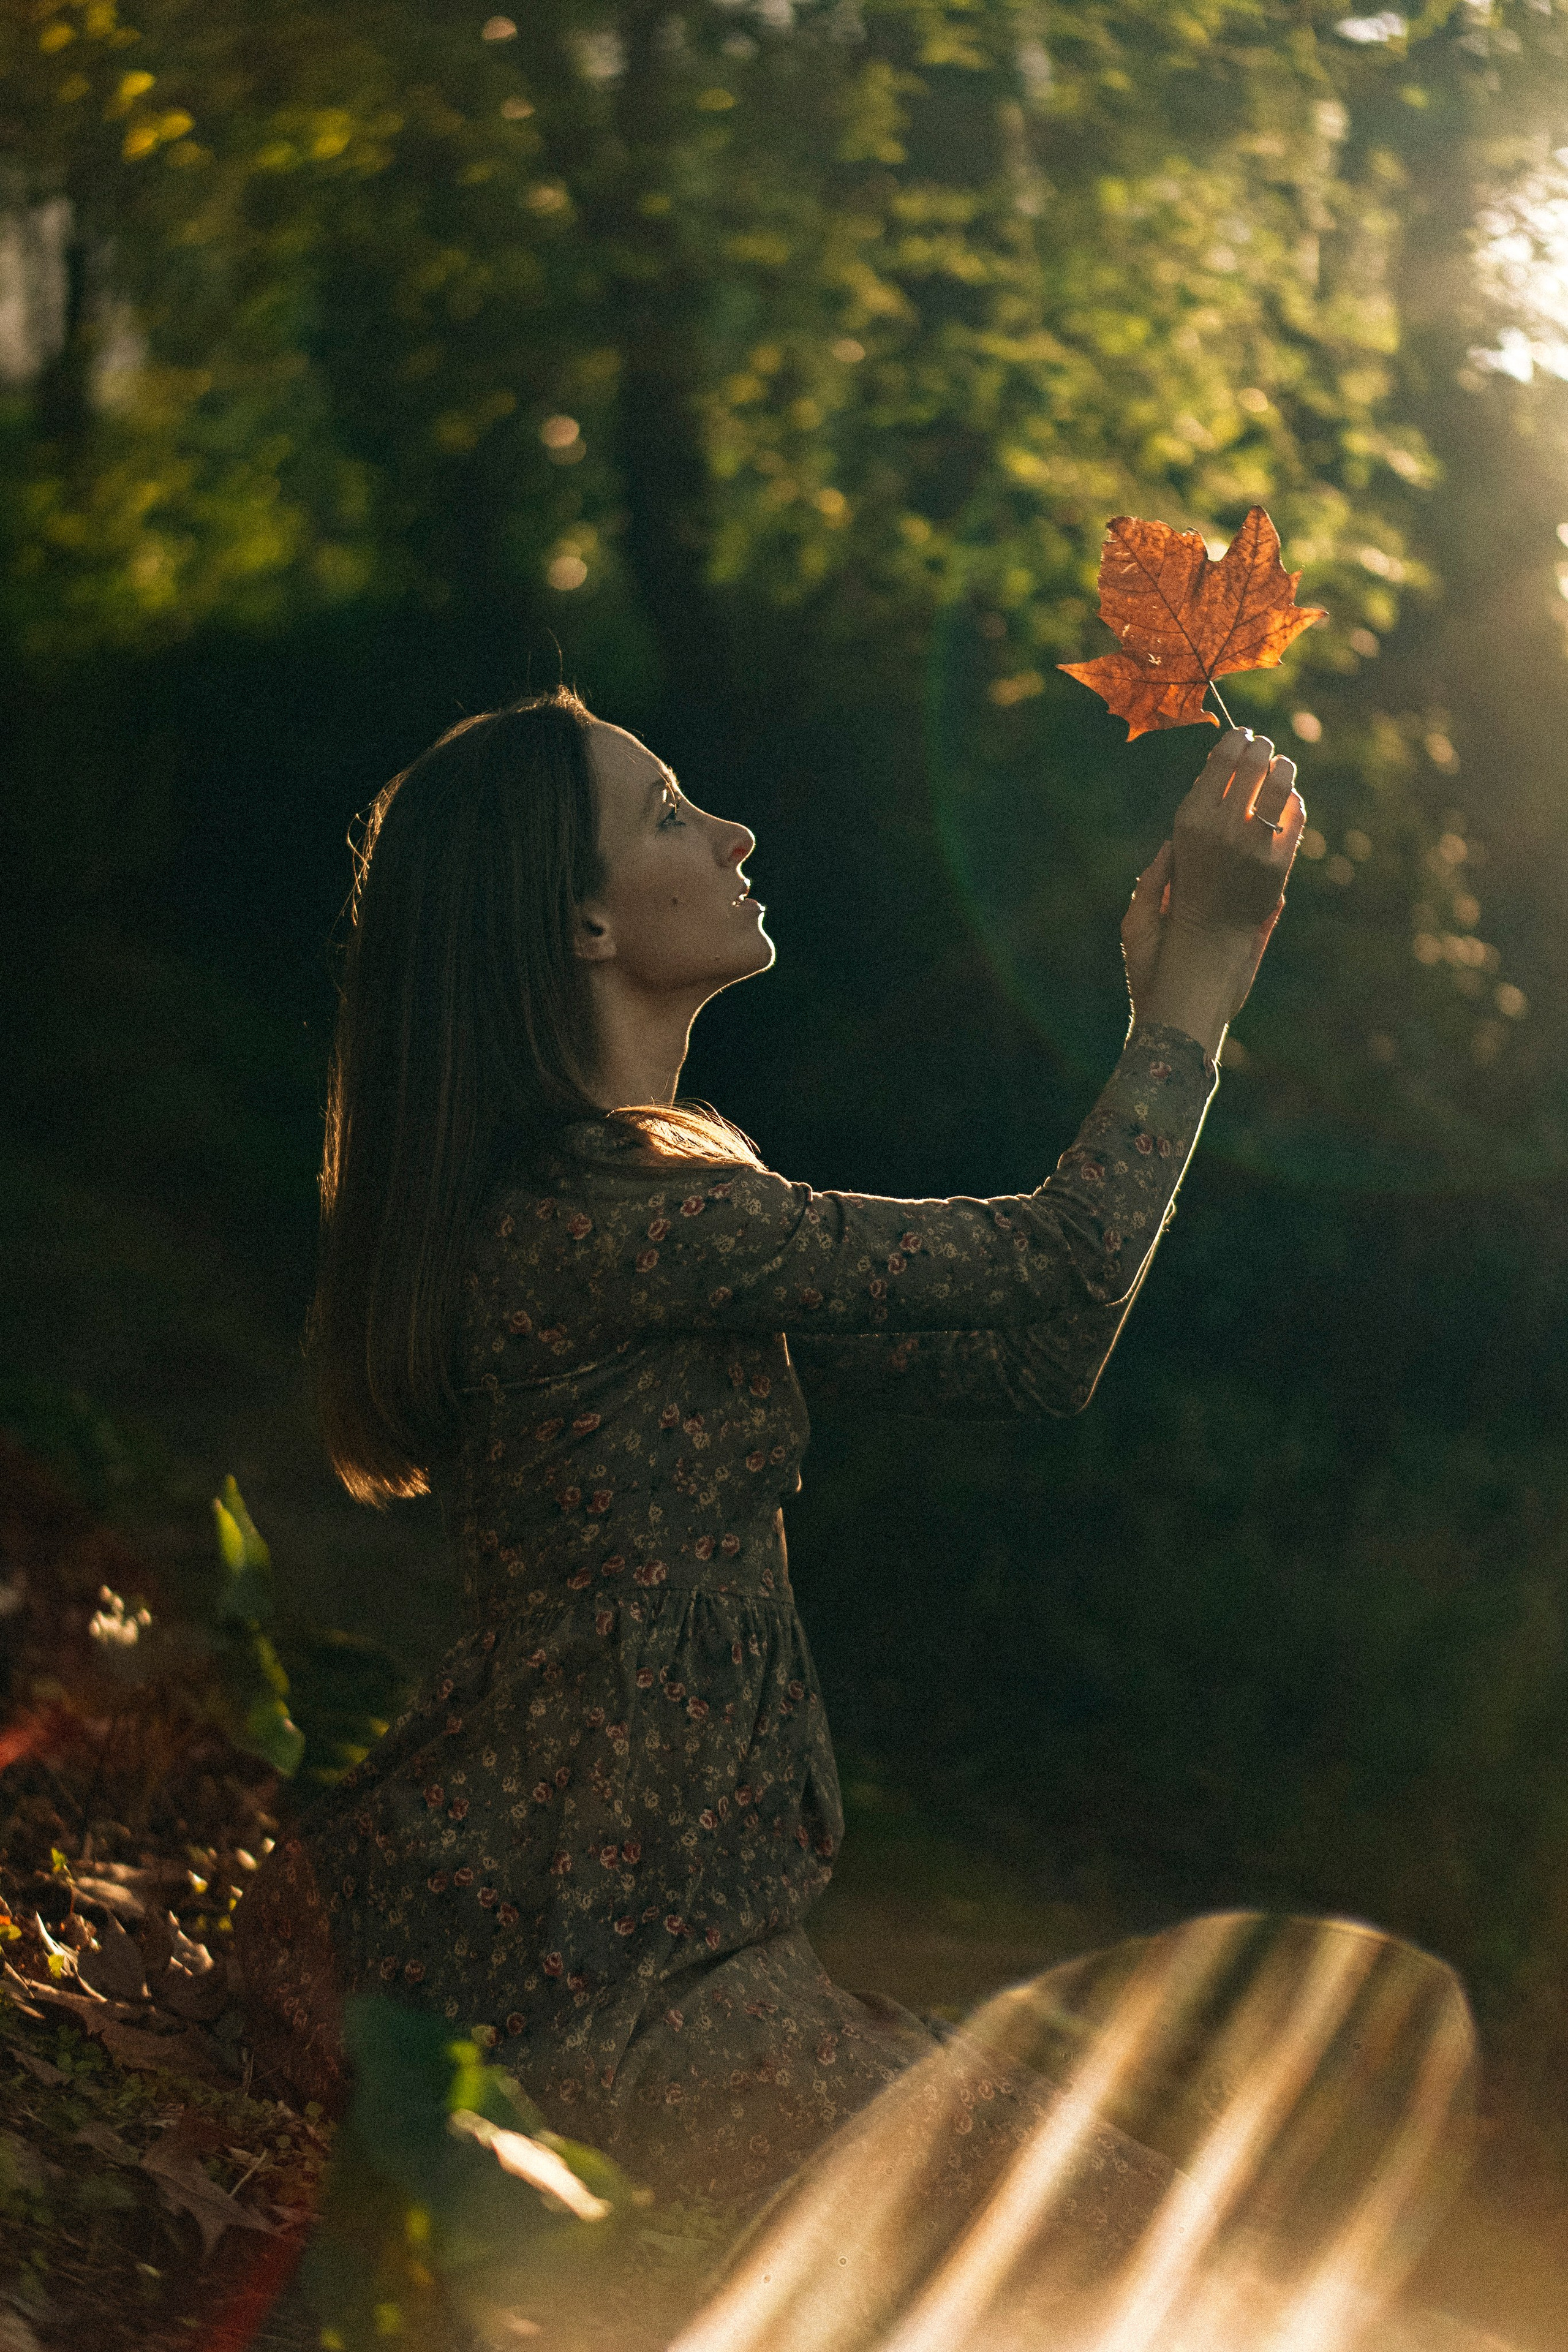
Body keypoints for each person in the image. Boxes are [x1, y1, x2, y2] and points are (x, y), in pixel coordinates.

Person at [235, 689, 1303, 2216]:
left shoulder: (629, 1206)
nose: (732, 832)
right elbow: (1061, 1261)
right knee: (1137, 2237)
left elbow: (1033, 1353)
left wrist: (1177, 1018)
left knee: (1131, 2218)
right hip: (598, 1994)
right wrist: (1184, 1013)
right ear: (586, 927)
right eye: (668, 813)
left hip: (652, 1965)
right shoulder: (621, 1222)